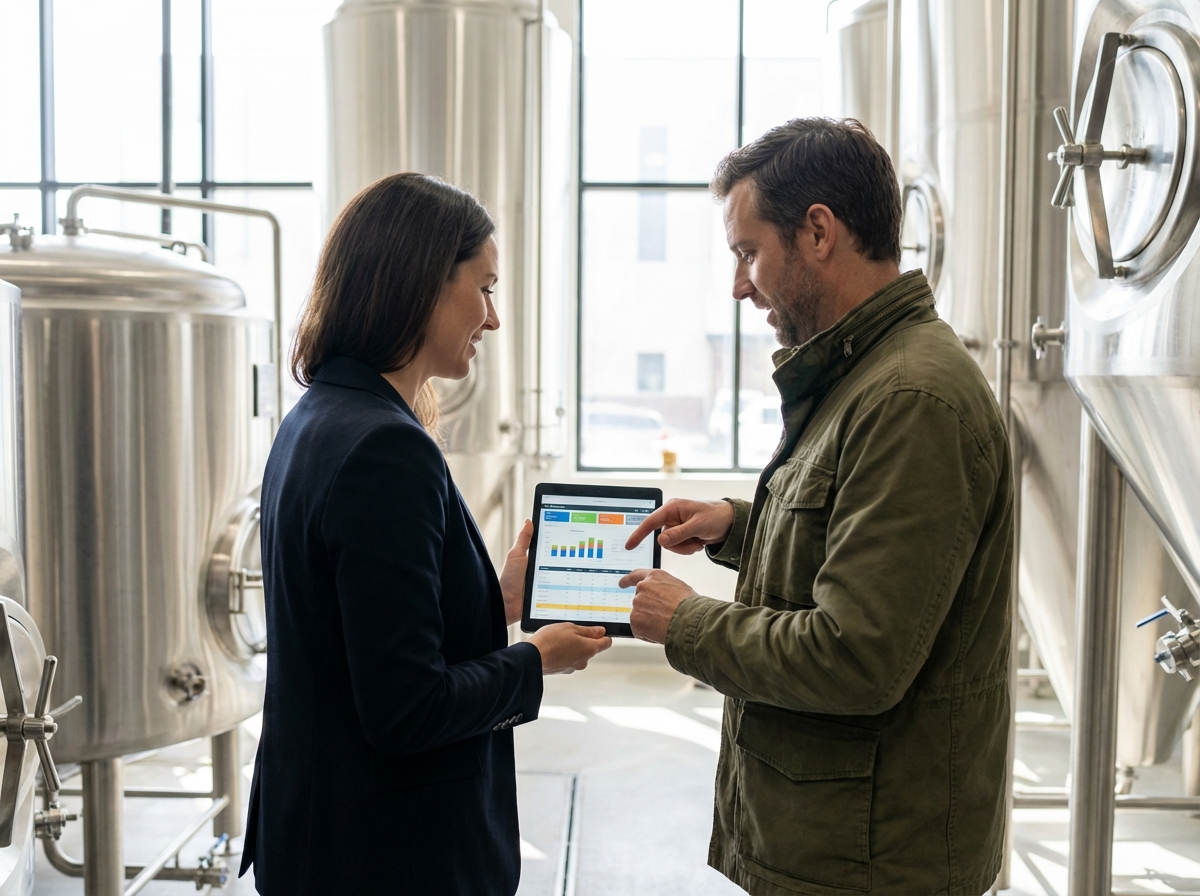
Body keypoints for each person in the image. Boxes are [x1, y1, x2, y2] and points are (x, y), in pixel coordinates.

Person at [622, 119, 1013, 895]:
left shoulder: (910, 398)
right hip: (835, 844)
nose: (739, 285)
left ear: (819, 232)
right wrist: (742, 526)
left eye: (747, 252)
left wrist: (686, 621)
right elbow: (849, 533)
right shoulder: (863, 375)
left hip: (870, 862)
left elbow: (855, 655)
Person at [239, 173, 611, 895]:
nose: (493, 319)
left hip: (321, 833)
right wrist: (537, 658)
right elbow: (407, 711)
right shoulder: (385, 449)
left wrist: (492, 602)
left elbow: (350, 635)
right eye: (486, 287)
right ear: (421, 284)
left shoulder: (317, 417)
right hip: (387, 856)